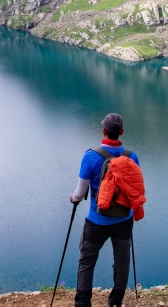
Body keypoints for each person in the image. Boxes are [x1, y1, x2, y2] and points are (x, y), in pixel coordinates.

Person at [69, 113, 140, 307]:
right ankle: (115, 302)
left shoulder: (91, 157)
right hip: (124, 220)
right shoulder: (132, 156)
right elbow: (134, 189)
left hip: (97, 222)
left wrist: (74, 199)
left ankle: (83, 303)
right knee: (122, 260)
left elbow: (79, 193)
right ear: (121, 132)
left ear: (104, 131)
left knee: (86, 261)